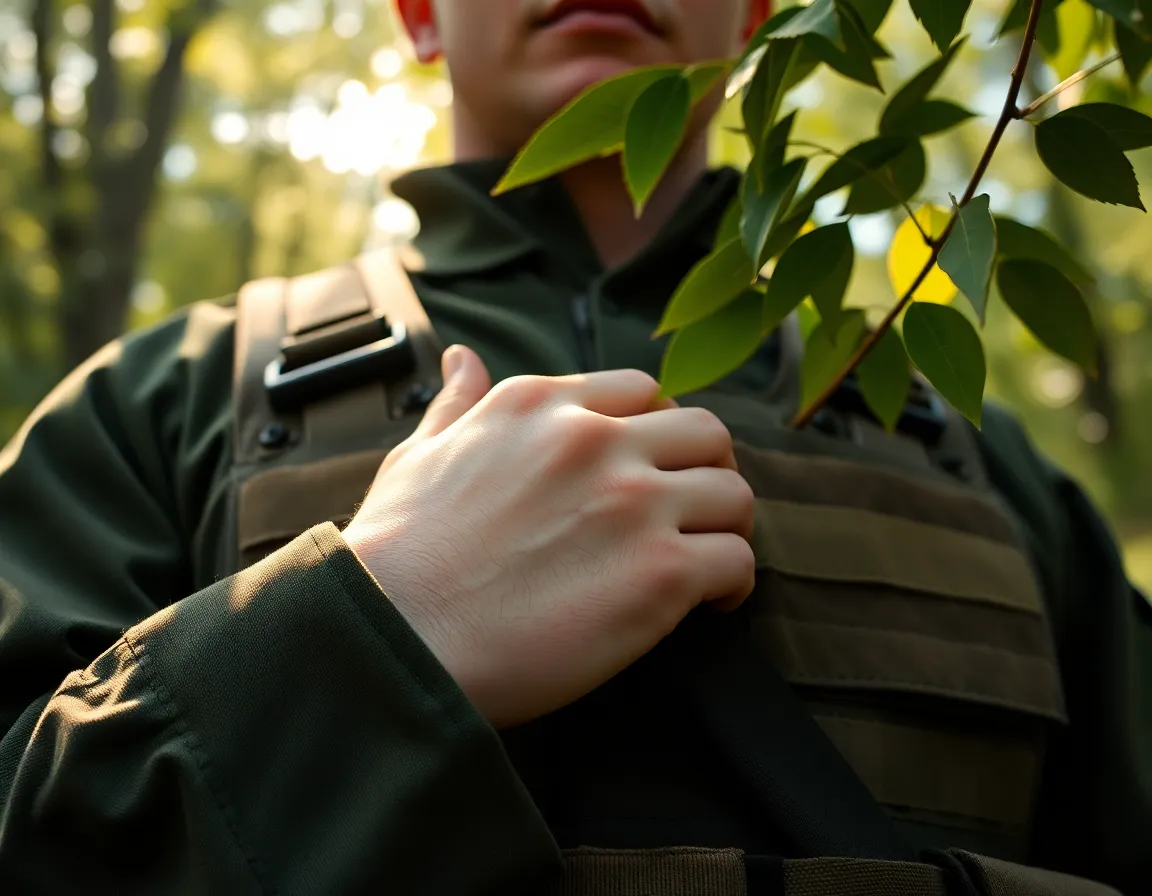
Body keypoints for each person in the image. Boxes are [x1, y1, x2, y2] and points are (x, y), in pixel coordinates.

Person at [0, 0, 1148, 893]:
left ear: (752, 19)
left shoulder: (982, 456)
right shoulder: (164, 400)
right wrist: (379, 624)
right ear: (418, 14)